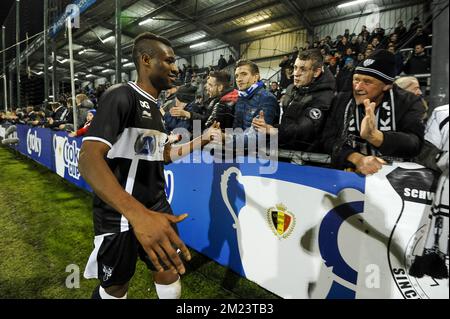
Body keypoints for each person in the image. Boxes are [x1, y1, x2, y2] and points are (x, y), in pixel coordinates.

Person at [79, 32, 221, 300]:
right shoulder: (121, 95)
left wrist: (201, 140)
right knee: (116, 286)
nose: (175, 68)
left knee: (169, 271)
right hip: (120, 215)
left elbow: (161, 155)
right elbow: (88, 158)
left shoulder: (157, 108)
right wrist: (137, 214)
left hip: (156, 208)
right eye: (168, 61)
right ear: (146, 60)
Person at [322, 49, 425, 175]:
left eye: (367, 82)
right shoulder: (341, 100)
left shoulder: (409, 101)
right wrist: (357, 158)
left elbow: (415, 144)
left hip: (393, 182)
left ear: (387, 86)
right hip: (346, 177)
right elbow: (328, 139)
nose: (358, 87)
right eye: (356, 79)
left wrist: (375, 136)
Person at [252, 49, 335, 152]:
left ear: (316, 72)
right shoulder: (292, 88)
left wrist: (272, 130)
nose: (296, 73)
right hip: (285, 149)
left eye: (303, 69)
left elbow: (305, 130)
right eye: (295, 68)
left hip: (307, 159)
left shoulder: (324, 96)